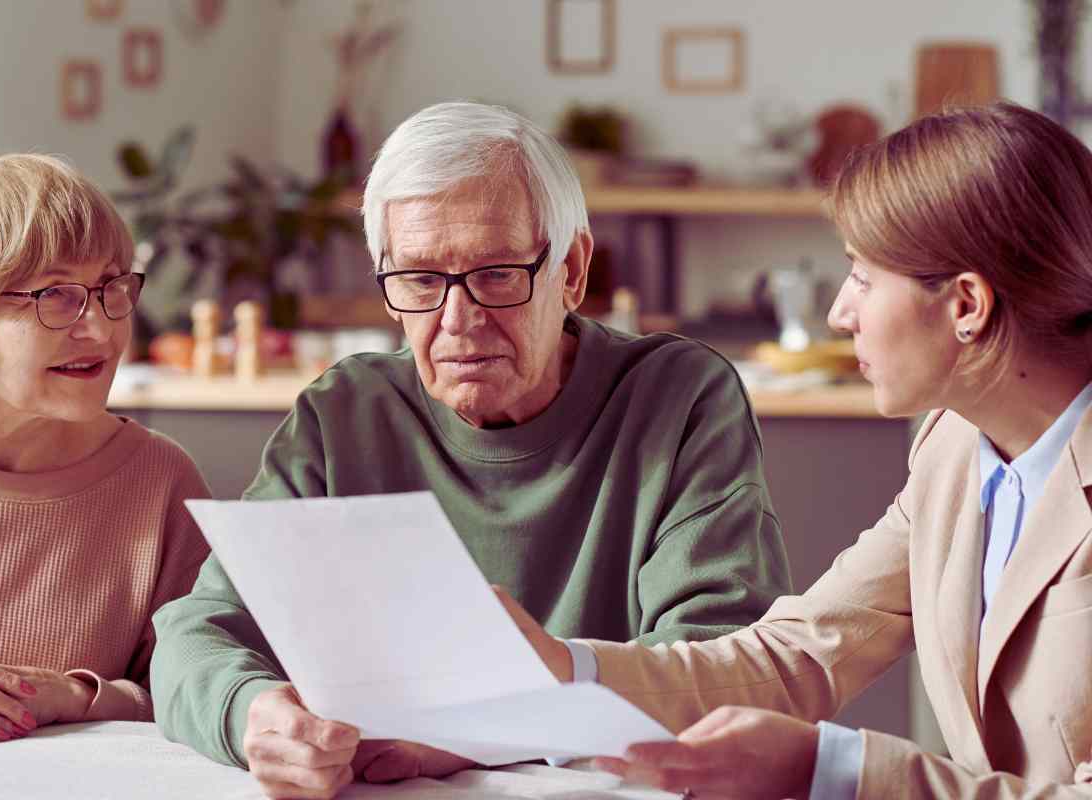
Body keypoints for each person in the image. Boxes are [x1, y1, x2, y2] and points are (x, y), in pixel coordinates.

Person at [151, 101, 791, 799]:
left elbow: (722, 668)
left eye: (496, 273)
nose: (459, 321)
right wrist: (251, 715)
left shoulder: (680, 398)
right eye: (421, 280)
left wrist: (478, 733)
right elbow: (194, 635)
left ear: (572, 270)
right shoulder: (344, 414)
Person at [503, 102, 1092, 799]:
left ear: (966, 304)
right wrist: (563, 670)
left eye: (863, 277)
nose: (840, 314)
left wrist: (833, 769)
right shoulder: (957, 448)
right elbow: (802, 654)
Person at [0, 154, 210, 742]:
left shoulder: (159, 477)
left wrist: (79, 696)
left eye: (111, 287)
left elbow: (202, 693)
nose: (101, 329)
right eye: (56, 295)